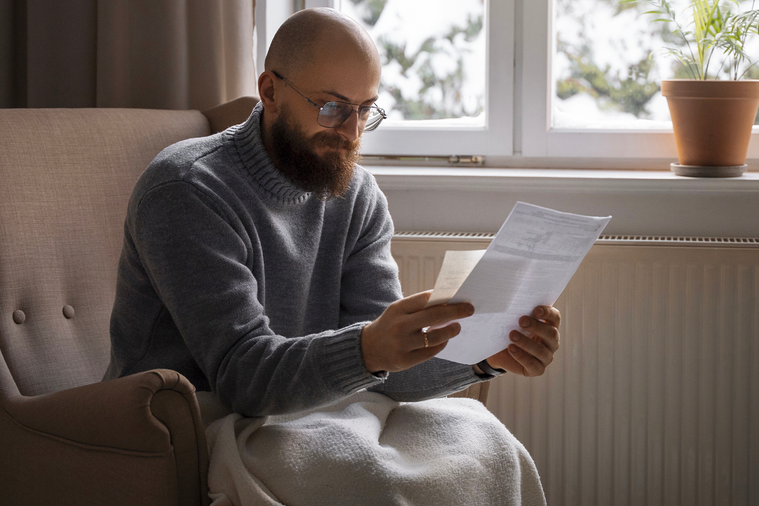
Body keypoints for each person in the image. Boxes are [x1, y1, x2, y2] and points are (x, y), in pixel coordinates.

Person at [104, 7, 561, 418]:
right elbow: (241, 377)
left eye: (365, 110)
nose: (351, 131)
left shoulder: (358, 196)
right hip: (180, 426)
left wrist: (485, 358)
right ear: (270, 91)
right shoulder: (187, 190)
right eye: (331, 107)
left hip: (303, 414)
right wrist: (366, 350)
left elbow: (387, 370)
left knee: (482, 450)